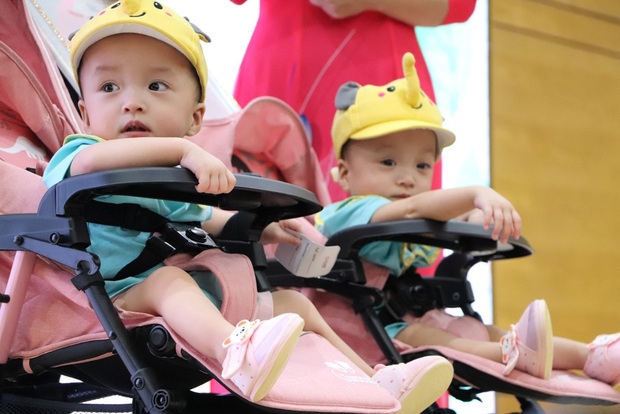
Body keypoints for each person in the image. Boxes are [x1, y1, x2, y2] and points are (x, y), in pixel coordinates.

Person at [42, 1, 455, 410]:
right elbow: (90, 164)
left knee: (294, 303)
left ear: (195, 116)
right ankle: (237, 356)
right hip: (104, 299)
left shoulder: (173, 182)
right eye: (109, 88)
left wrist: (262, 226)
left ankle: (376, 383)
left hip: (180, 293)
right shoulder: (80, 153)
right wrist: (181, 150)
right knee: (169, 283)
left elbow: (207, 217)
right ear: (83, 113)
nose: (131, 102)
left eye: (155, 86)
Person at [315, 51, 620, 387]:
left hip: (400, 315)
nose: (407, 178)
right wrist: (477, 192)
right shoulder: (350, 212)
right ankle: (514, 355)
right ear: (344, 173)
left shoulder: (406, 204)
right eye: (388, 162)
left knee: (490, 331)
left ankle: (591, 356)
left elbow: (447, 212)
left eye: (422, 166)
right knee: (448, 343)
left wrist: (480, 216)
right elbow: (413, 210)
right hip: (362, 330)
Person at [230, 0, 477, 201]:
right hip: (283, 74)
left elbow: (460, 5)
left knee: (388, 236)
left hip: (382, 88)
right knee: (251, 224)